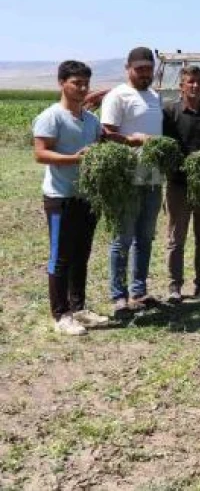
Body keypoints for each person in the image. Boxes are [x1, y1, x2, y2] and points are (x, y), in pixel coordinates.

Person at [32, 60, 110, 335]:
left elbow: (99, 148)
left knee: (81, 254)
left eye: (86, 83)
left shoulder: (91, 120)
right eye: (76, 83)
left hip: (86, 197)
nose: (82, 88)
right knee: (61, 257)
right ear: (61, 83)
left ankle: (79, 308)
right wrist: (73, 159)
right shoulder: (51, 116)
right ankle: (60, 314)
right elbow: (40, 153)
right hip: (60, 197)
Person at [100, 46, 164, 312]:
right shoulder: (118, 96)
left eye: (148, 69)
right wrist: (130, 140)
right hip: (126, 176)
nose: (144, 73)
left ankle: (139, 291)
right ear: (128, 68)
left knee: (145, 237)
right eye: (139, 69)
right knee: (123, 238)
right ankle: (119, 295)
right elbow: (105, 133)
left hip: (152, 176)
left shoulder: (154, 96)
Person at [162, 65, 200, 301]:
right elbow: (166, 150)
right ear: (181, 85)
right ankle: (174, 286)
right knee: (176, 239)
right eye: (190, 82)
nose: (195, 86)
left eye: (199, 81)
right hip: (178, 185)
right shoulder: (169, 113)